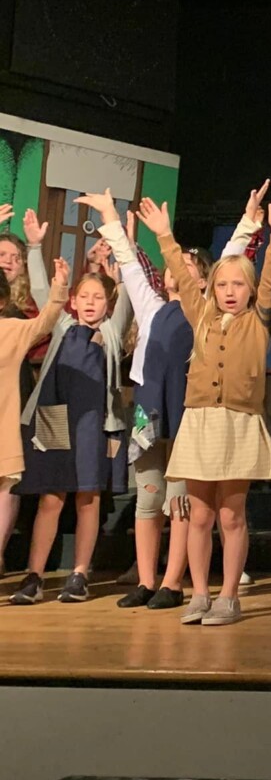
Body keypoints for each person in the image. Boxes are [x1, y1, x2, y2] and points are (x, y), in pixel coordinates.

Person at [137, 190, 271, 627]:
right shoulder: (200, 314)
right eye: (222, 284)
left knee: (231, 513)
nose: (229, 291)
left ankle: (228, 595)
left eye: (238, 284)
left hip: (237, 423)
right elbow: (184, 281)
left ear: (249, 288)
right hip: (200, 421)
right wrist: (165, 236)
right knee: (199, 513)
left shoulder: (258, 319)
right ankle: (200, 592)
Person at [10, 252, 133, 605]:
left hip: (95, 423)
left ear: (108, 304)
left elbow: (127, 298)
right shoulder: (63, 325)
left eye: (98, 297)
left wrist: (119, 267)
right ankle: (34, 576)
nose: (90, 303)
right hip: (54, 418)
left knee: (88, 498)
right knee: (51, 497)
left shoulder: (109, 332)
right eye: (84, 297)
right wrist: (37, 250)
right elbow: (39, 289)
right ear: (75, 301)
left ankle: (80, 573)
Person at [0, 206, 51, 575]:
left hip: (16, 391)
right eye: (0, 255)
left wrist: (34, 249)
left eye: (13, 257)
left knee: (8, 478)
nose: (6, 262)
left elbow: (48, 322)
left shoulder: (26, 308)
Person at [0, 257, 68, 510]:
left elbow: (44, 323)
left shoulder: (12, 329)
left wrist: (59, 289)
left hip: (2, 431)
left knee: (6, 491)